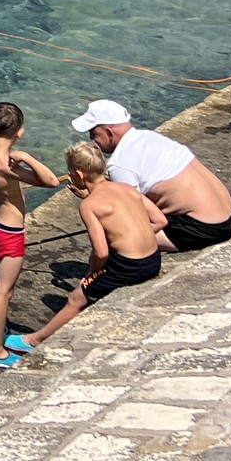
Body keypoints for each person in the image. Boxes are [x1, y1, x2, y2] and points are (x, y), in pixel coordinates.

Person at [26, 144, 167, 344]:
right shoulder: (126, 188)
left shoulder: (89, 205)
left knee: (76, 298)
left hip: (130, 266)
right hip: (153, 260)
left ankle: (34, 340)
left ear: (79, 174)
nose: (70, 176)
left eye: (70, 173)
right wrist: (132, 237)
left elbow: (101, 253)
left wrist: (90, 274)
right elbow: (160, 220)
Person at [71, 100, 231, 249]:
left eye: (94, 134)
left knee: (113, 231)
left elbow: (128, 213)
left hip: (203, 229)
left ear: (109, 132)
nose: (92, 139)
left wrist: (92, 197)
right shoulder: (150, 137)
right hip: (228, 218)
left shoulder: (119, 164)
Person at [0, 102, 60, 369]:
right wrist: (26, 157)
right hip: (10, 232)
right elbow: (51, 181)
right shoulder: (8, 166)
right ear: (20, 132)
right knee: (3, 291)